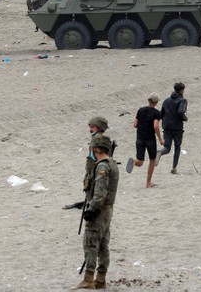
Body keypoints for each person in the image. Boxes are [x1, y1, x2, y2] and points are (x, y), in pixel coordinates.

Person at [76, 134, 119, 289]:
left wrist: (92, 210)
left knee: (91, 243)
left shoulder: (102, 166)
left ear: (96, 148)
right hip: (108, 210)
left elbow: (100, 193)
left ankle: (89, 279)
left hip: (100, 211)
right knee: (103, 244)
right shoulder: (112, 163)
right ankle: (101, 278)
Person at [126, 94, 164, 188]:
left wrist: (142, 127)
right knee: (152, 160)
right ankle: (148, 182)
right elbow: (155, 126)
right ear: (156, 102)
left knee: (140, 161)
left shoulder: (141, 110)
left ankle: (134, 162)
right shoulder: (156, 113)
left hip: (139, 138)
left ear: (149, 100)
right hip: (150, 139)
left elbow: (135, 124)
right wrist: (160, 139)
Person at [158, 82, 188, 174]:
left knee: (167, 147)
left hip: (166, 126)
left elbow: (161, 114)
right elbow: (180, 112)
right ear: (182, 90)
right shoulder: (182, 100)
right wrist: (184, 118)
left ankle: (159, 153)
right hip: (177, 127)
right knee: (177, 146)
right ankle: (174, 167)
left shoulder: (166, 101)